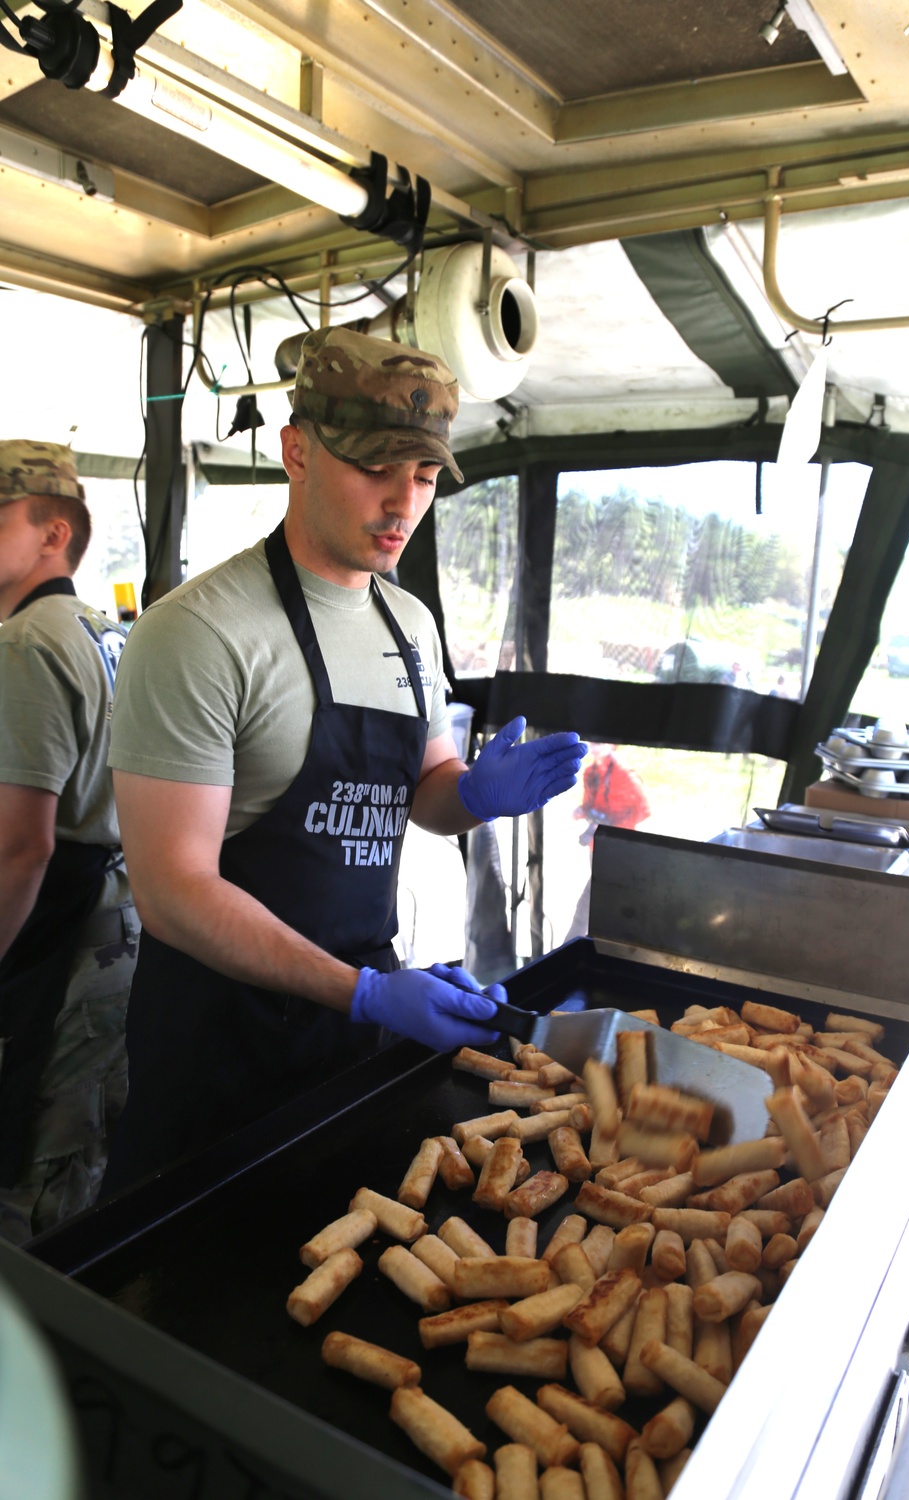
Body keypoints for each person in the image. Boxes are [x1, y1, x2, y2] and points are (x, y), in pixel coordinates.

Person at [101, 327, 586, 1191]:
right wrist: (361, 991)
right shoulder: (201, 633)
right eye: (376, 467)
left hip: (349, 1035)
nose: (405, 502)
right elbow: (170, 892)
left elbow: (425, 793)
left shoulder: (411, 625)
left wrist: (473, 792)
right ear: (296, 451)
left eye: (428, 476)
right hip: (218, 1049)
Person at [0, 441, 137, 1243]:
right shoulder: (102, 627)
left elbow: (24, 847)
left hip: (58, 939)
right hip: (117, 935)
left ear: (55, 533)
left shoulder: (23, 643)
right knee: (82, 1166)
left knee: (32, 1190)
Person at [565, 745, 650, 943]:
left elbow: (643, 811)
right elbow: (589, 805)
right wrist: (582, 812)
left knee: (586, 909)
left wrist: (609, 825)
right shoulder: (590, 773)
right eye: (592, 742)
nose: (594, 747)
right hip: (597, 848)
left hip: (619, 851)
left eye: (600, 743)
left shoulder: (624, 774)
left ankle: (562, 956)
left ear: (612, 744)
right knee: (606, 905)